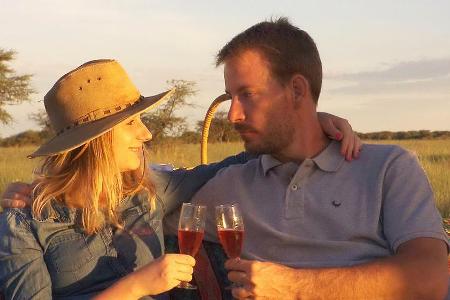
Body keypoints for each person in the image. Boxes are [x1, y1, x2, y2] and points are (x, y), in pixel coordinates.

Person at [0, 59, 359, 299]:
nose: (145, 134)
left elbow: (238, 161)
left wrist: (309, 121)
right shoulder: (23, 224)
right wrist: (137, 286)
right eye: (131, 123)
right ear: (95, 142)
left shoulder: (147, 191)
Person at [162, 18, 449, 299]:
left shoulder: (388, 168)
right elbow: (138, 202)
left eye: (247, 94)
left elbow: (429, 277)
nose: (234, 114)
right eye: (231, 97)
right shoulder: (231, 184)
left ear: (296, 90)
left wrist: (295, 287)